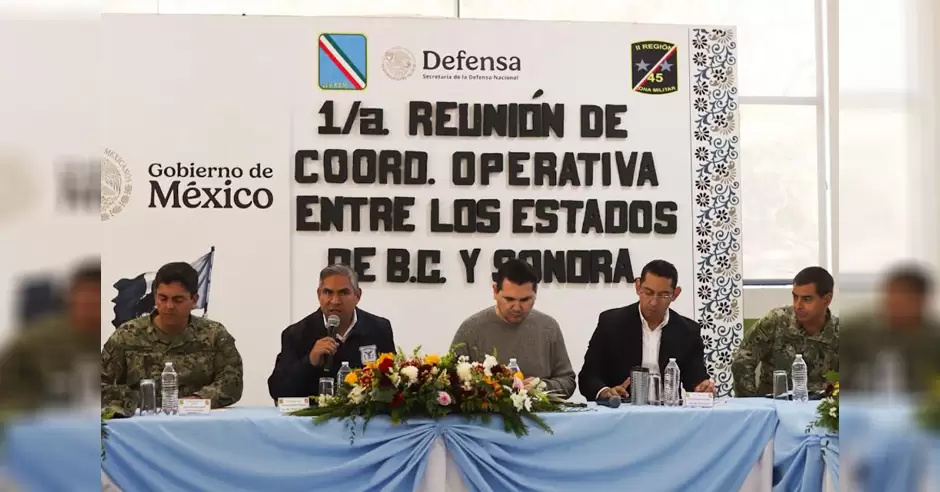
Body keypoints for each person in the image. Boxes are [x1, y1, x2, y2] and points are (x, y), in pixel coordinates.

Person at [101, 262, 244, 416]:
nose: (169, 306)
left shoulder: (214, 335)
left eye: (178, 300)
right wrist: (134, 399)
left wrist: (196, 400)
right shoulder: (127, 335)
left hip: (195, 421)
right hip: (141, 422)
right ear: (155, 296)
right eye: (163, 298)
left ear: (194, 299)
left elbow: (232, 382)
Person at [579, 260, 714, 401]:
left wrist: (702, 387)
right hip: (623, 408)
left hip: (668, 410)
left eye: (663, 295)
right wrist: (606, 392)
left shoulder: (688, 331)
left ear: (675, 294)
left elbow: (695, 379)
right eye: (648, 292)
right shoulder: (611, 323)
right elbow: (588, 377)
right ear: (638, 287)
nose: (654, 302)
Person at [450, 259, 576, 399]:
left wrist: (541, 387)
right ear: (495, 291)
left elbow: (568, 382)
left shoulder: (548, 327)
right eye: (509, 299)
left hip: (541, 411)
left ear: (535, 294)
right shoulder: (471, 329)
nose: (517, 308)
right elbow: (450, 382)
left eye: (525, 300)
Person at [268, 264, 395, 399]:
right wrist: (310, 361)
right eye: (328, 292)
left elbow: (393, 382)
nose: (335, 301)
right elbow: (278, 391)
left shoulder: (379, 329)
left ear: (357, 296)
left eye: (343, 293)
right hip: (315, 412)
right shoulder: (296, 334)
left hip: (365, 411)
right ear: (319, 295)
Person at [0, 261, 101, 411]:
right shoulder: (33, 341)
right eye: (86, 299)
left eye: (97, 301)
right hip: (36, 417)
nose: (91, 307)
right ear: (70, 298)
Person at [732, 266, 839, 397]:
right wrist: (752, 403)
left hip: (822, 406)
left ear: (827, 300)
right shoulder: (776, 321)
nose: (798, 305)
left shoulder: (839, 332)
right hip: (773, 403)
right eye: (795, 297)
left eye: (807, 299)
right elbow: (742, 362)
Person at [841, 264, 940, 394]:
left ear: (922, 300)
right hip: (862, 401)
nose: (895, 303)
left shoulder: (934, 338)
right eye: (891, 295)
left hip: (922, 402)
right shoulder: (856, 332)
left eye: (905, 298)